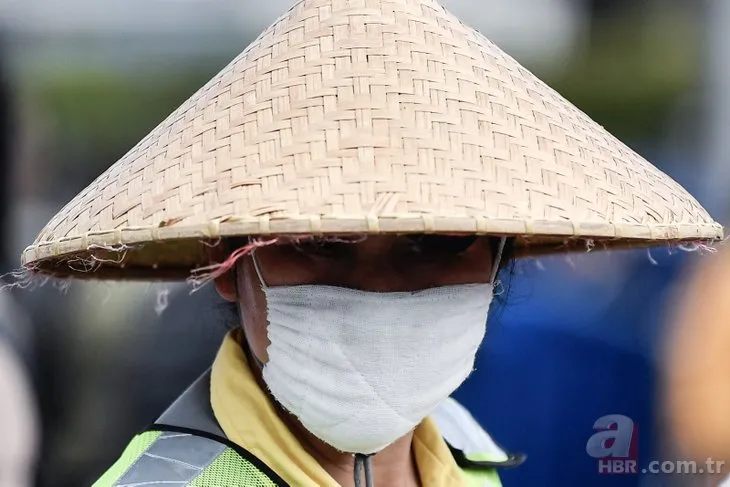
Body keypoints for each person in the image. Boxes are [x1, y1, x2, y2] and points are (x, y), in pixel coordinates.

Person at [19, 0, 721, 485]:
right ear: (230, 265)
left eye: (434, 244)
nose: (379, 289)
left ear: (501, 259)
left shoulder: (467, 452)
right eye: (321, 244)